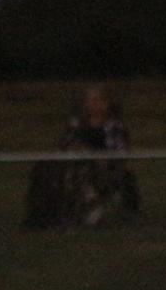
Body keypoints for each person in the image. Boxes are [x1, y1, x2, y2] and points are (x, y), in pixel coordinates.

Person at [58, 84, 139, 227]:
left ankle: (90, 213)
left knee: (87, 173)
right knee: (77, 171)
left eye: (98, 100)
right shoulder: (76, 124)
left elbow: (122, 151)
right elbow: (66, 144)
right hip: (77, 169)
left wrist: (104, 158)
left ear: (107, 103)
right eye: (89, 101)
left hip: (107, 171)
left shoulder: (114, 126)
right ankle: (90, 212)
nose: (93, 104)